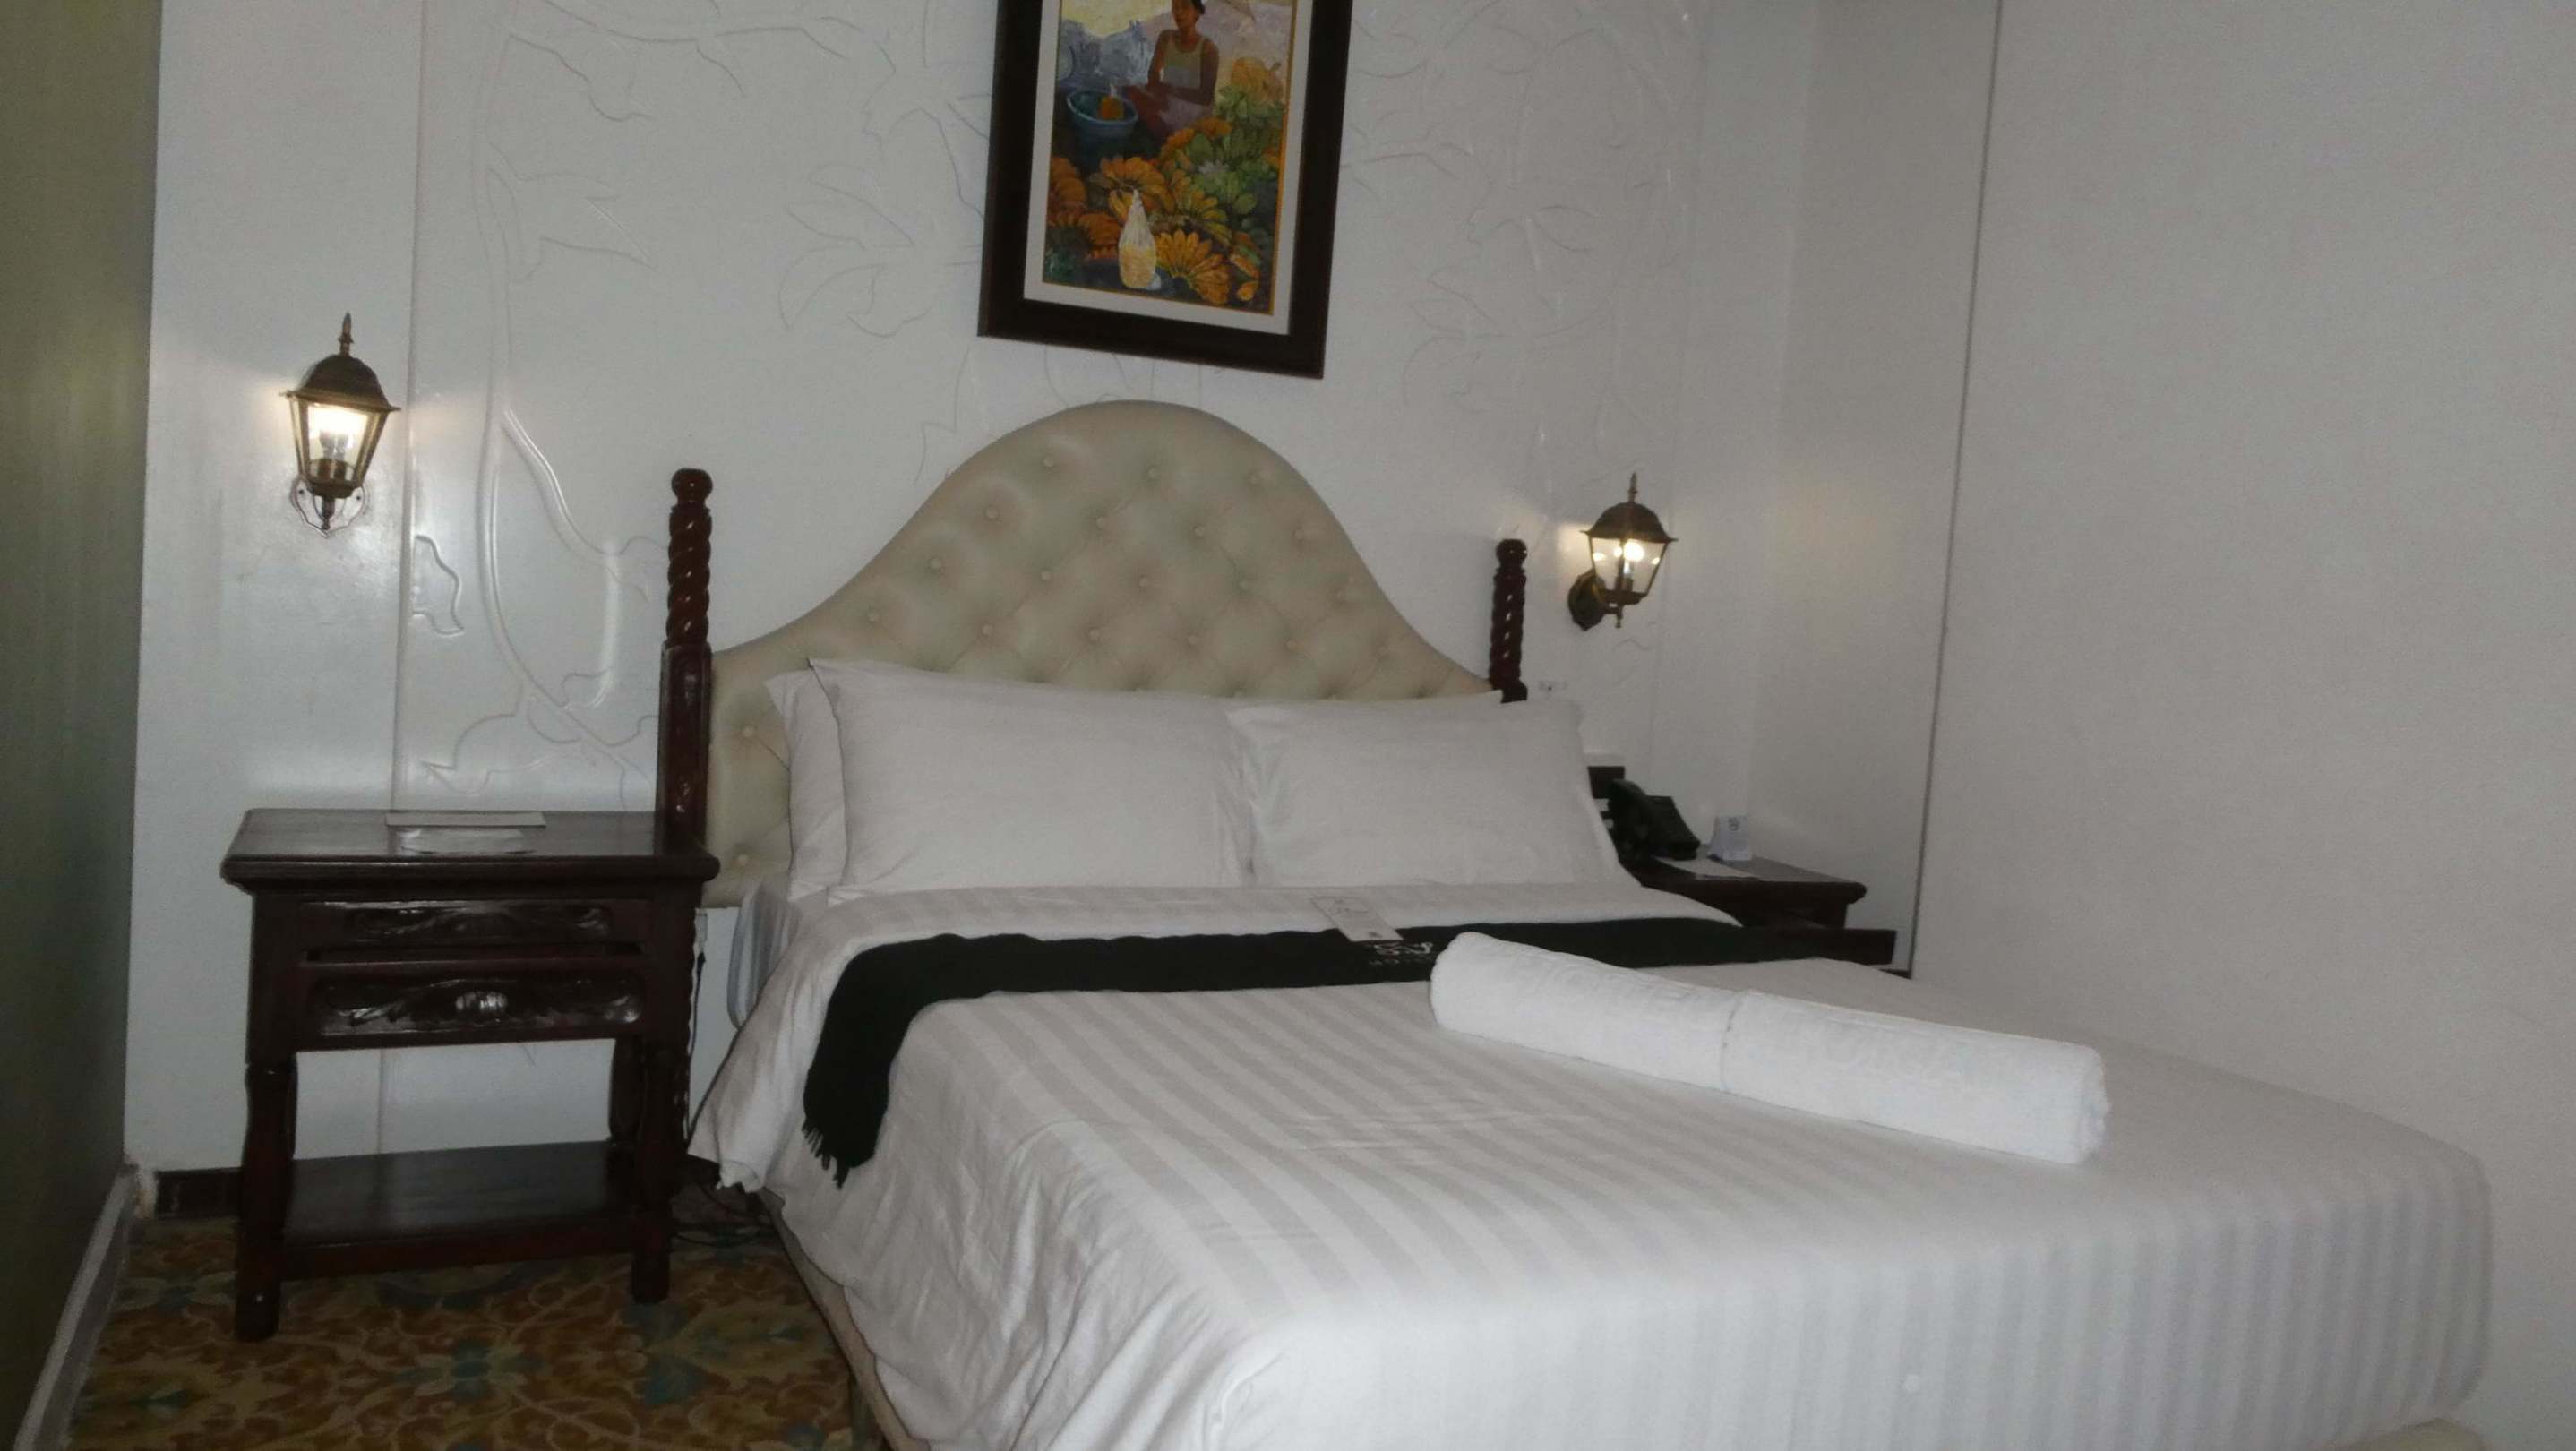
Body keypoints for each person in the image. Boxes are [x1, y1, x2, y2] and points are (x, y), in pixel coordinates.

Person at [1125, 0, 1219, 139]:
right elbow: (1153, 72)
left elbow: (1205, 96)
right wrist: (1157, 90)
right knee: (1130, 90)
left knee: (1147, 109)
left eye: (1185, 7)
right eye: (1175, 7)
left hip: (1193, 105)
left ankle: (1170, 140)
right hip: (1167, 96)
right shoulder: (1166, 38)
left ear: (1197, 12)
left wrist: (1170, 90)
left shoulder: (1208, 48)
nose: (1179, 12)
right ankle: (1163, 133)